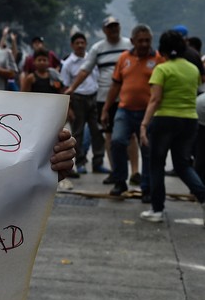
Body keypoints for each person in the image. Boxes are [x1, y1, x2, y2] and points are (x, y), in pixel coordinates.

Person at [139, 30, 205, 223]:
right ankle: (203, 198)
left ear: (163, 49)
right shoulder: (194, 69)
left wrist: (144, 124)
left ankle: (157, 210)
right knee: (183, 165)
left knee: (156, 164)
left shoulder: (162, 69)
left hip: (165, 120)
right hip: (189, 121)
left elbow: (155, 99)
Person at [100, 24, 163, 200]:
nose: (144, 44)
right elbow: (115, 85)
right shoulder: (123, 58)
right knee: (118, 142)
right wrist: (106, 109)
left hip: (147, 113)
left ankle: (146, 188)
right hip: (124, 110)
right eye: (140, 40)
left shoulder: (158, 59)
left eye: (147, 41)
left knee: (148, 149)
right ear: (133, 41)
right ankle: (120, 181)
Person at [65, 16, 132, 180]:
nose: (113, 29)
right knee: (94, 133)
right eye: (110, 27)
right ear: (104, 30)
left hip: (122, 97)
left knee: (103, 134)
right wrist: (72, 90)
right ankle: (84, 164)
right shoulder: (97, 49)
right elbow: (84, 71)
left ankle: (104, 164)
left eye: (116, 26)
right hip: (97, 99)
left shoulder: (129, 45)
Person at [60, 32, 104, 177]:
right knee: (77, 133)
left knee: (97, 131)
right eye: (77, 43)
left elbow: (98, 78)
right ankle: (80, 163)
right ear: (72, 45)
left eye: (82, 42)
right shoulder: (67, 64)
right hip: (77, 99)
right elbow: (64, 87)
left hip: (94, 96)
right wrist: (69, 108)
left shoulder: (92, 60)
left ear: (86, 44)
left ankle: (98, 162)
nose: (80, 45)